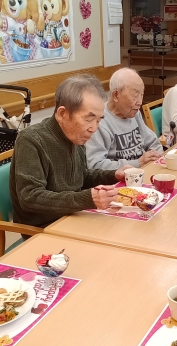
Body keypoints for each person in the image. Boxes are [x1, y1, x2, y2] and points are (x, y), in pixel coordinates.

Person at [10, 75, 130, 229]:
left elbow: (81, 177)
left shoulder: (75, 136)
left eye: (99, 120)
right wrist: (87, 199)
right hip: (44, 228)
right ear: (62, 114)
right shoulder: (31, 140)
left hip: (73, 215)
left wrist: (113, 175)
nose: (94, 128)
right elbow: (29, 197)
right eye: (89, 119)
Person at [86, 68, 162, 170]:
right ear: (116, 95)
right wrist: (137, 163)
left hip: (143, 172)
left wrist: (158, 157)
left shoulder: (134, 113)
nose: (140, 102)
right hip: (119, 178)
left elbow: (153, 143)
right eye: (135, 96)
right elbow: (95, 165)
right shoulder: (99, 121)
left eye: (142, 95)